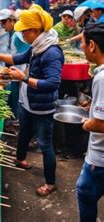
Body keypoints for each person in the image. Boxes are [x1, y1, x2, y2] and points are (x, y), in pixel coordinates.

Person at [0, 7, 64, 196]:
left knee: (45, 144)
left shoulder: (51, 52)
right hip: (27, 102)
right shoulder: (36, 46)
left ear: (35, 30)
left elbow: (53, 83)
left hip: (42, 107)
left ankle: (51, 183)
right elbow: (17, 58)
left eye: (24, 31)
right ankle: (20, 158)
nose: (21, 34)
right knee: (25, 133)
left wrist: (24, 78)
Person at [78, 23, 104, 222]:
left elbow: (101, 125)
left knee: (85, 193)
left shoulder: (102, 77)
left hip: (99, 160)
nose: (82, 48)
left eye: (83, 44)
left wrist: (87, 123)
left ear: (93, 45)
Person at [0, 9, 30, 120]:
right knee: (13, 96)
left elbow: (25, 56)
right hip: (15, 71)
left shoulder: (17, 36)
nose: (2, 26)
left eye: (3, 22)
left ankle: (15, 119)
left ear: (11, 21)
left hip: (19, 72)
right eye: (0, 23)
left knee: (15, 97)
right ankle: (14, 117)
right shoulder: (12, 33)